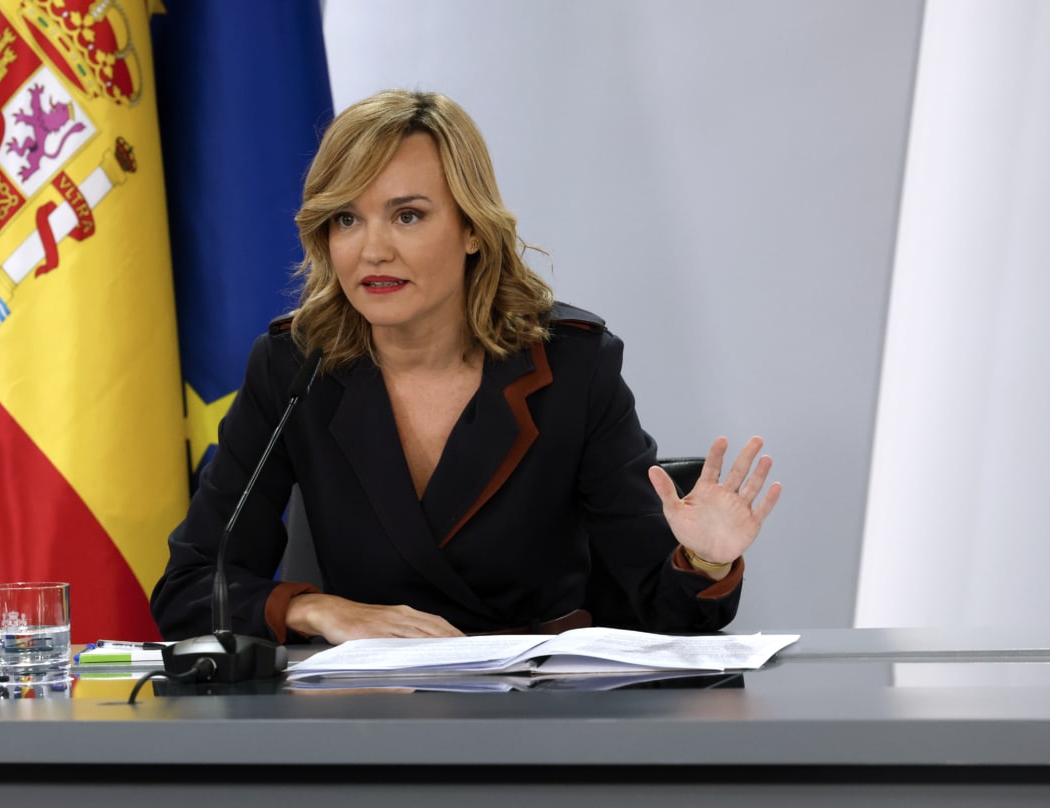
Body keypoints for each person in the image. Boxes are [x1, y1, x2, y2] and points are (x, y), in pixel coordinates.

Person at [150, 89, 780, 645]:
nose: (372, 249)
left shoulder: (570, 362)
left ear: (473, 229)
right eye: (347, 219)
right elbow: (191, 587)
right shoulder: (295, 367)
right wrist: (319, 610)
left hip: (540, 719)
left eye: (408, 215)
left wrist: (706, 560)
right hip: (369, 721)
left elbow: (664, 608)